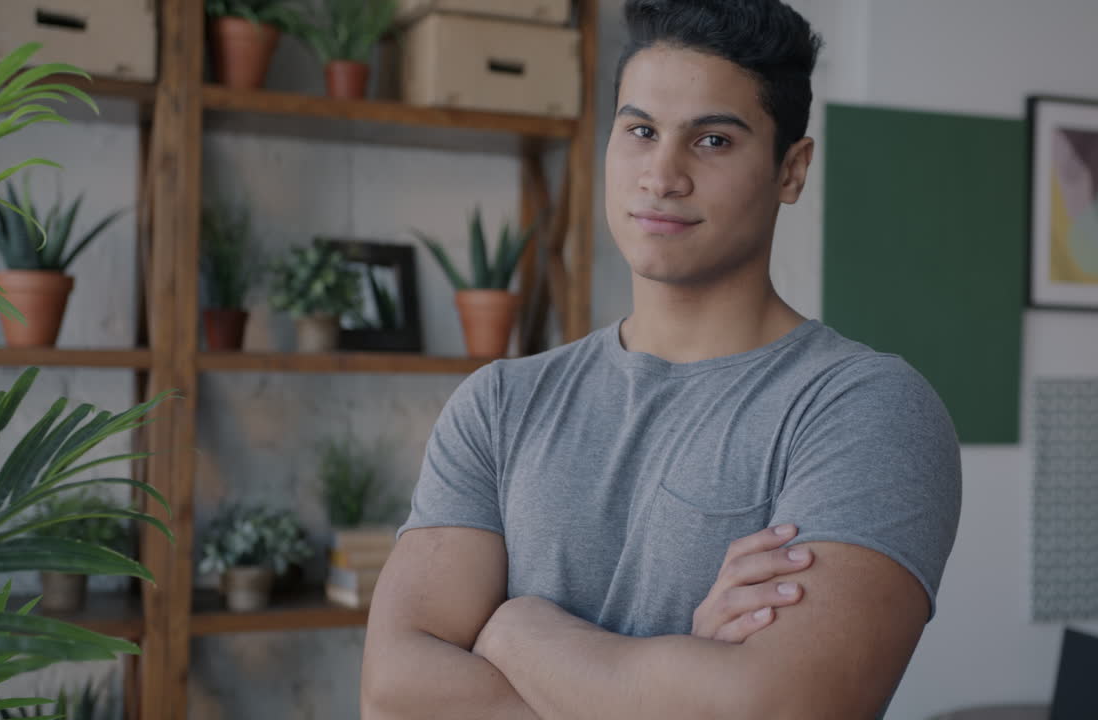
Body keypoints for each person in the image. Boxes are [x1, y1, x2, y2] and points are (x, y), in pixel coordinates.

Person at [362, 0, 962, 717]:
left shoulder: (864, 409)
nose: (662, 174)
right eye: (640, 130)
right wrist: (675, 681)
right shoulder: (500, 404)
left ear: (791, 171)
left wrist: (514, 628)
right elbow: (395, 694)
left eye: (712, 141)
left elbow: (780, 709)